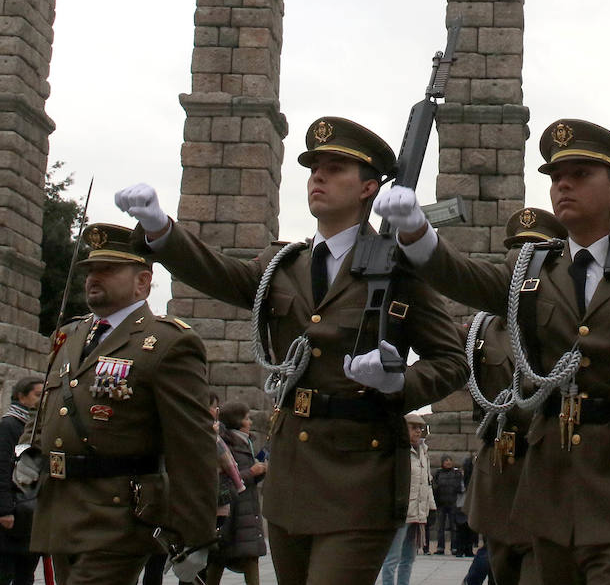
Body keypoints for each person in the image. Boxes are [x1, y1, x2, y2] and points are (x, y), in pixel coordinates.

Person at [375, 118, 610, 585]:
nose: (563, 185)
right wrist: (417, 234)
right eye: (555, 176)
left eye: (580, 175)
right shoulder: (532, 268)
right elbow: (466, 278)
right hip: (549, 496)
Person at [115, 116, 469, 585]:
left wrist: (400, 382)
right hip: (291, 473)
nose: (318, 176)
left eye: (335, 167)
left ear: (369, 188)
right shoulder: (284, 263)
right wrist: (160, 229)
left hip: (360, 474)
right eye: (313, 167)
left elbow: (452, 361)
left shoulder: (400, 267)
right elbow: (221, 274)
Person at [29, 222, 218, 584]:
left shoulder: (167, 343)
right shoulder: (70, 334)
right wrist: (29, 447)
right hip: (60, 506)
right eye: (90, 270)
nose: (93, 278)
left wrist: (196, 534)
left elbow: (191, 444)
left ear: (143, 282)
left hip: (118, 513)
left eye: (108, 269)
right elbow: (50, 401)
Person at [464, 206, 567, 584]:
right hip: (498, 478)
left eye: (534, 249)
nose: (522, 257)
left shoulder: (567, 324)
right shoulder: (480, 330)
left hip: (546, 472)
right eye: (516, 247)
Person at [206, 401, 267, 585]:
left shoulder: (244, 443)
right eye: (247, 418)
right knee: (219, 564)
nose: (250, 422)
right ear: (238, 421)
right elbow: (228, 480)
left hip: (244, 517)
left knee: (227, 563)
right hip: (233, 517)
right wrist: (252, 472)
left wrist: (259, 472)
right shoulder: (228, 446)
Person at [379, 413, 433, 585]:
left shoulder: (424, 451)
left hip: (417, 513)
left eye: (420, 428)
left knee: (409, 559)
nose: (418, 431)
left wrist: (431, 508)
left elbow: (427, 481)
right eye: (414, 428)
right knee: (392, 559)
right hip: (401, 512)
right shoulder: (398, 450)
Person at [1, 376, 42, 585]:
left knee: (26, 574)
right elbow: (3, 468)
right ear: (21, 396)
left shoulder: (38, 427)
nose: (40, 399)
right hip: (13, 512)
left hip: (30, 513)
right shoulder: (9, 425)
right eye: (37, 395)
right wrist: (5, 509)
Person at [431, 456, 465, 556]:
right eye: (446, 460)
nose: (448, 462)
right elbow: (435, 487)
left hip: (453, 503)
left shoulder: (456, 473)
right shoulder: (438, 473)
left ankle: (454, 547)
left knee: (453, 527)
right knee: (440, 527)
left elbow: (460, 488)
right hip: (441, 504)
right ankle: (440, 547)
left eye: (450, 460)